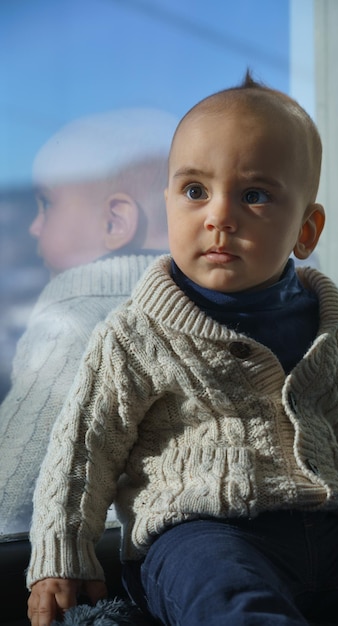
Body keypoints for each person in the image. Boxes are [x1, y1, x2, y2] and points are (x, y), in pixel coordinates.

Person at [27, 74, 338, 626]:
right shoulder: (136, 332)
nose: (219, 216)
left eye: (254, 195)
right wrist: (60, 555)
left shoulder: (321, 326)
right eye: (195, 191)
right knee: (232, 604)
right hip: (200, 535)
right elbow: (85, 448)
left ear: (306, 230)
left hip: (333, 535)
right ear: (168, 208)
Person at [0, 107, 177, 536]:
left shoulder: (72, 318)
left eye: (46, 204)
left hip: (85, 562)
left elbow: (11, 487)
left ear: (115, 222)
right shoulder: (201, 306)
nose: (36, 227)